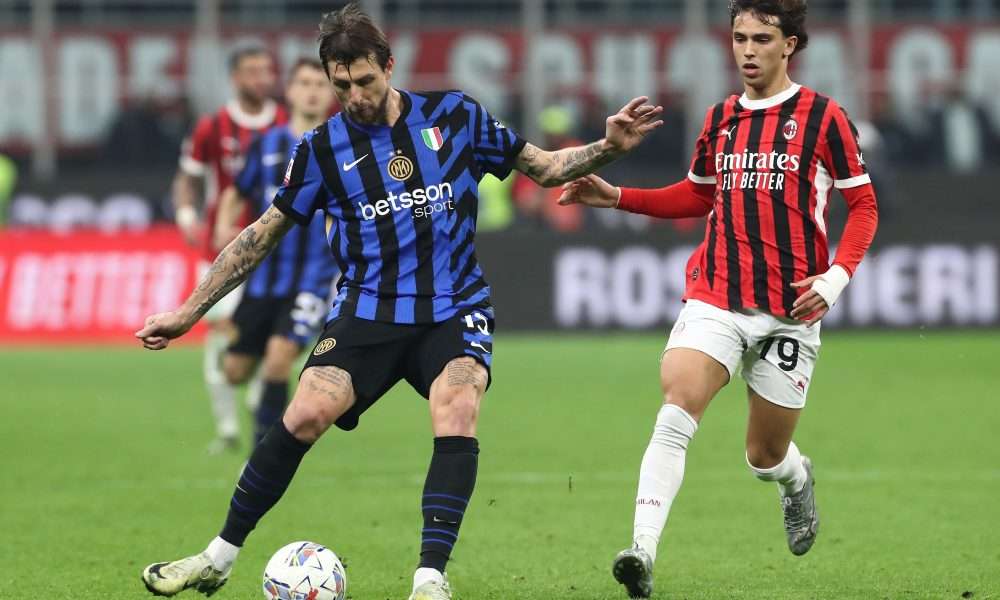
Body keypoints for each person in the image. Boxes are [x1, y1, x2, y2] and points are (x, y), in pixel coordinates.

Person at [136, 4, 662, 599]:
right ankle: (218, 558)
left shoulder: (454, 115)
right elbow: (258, 236)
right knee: (305, 414)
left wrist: (609, 147)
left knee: (457, 405)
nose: (354, 97)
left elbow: (544, 168)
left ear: (389, 66)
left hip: (453, 306)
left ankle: (430, 579)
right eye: (341, 86)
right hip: (369, 310)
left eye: (365, 81)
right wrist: (188, 312)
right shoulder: (321, 150)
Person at [559, 1, 879, 597]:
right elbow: (698, 195)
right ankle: (642, 551)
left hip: (790, 309)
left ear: (790, 45)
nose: (748, 50)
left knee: (764, 455)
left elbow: (864, 205)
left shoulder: (823, 117)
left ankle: (795, 479)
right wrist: (619, 197)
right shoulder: (722, 118)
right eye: (739, 37)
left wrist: (835, 278)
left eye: (762, 38)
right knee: (677, 404)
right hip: (717, 295)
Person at [213, 58, 339, 446]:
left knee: (279, 356)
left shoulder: (344, 146)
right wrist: (223, 227)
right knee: (234, 371)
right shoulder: (267, 145)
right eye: (305, 83)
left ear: (332, 93)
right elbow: (237, 191)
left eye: (320, 84)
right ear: (290, 91)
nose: (313, 91)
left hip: (313, 278)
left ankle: (263, 453)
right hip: (264, 278)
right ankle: (260, 382)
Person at [173, 43, 288, 454]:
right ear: (235, 78)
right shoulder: (212, 126)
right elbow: (188, 177)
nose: (261, 78)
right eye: (252, 71)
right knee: (222, 335)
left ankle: (260, 413)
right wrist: (187, 214)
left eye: (266, 70)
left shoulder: (286, 123)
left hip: (277, 253)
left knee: (269, 340)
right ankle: (226, 427)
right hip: (222, 251)